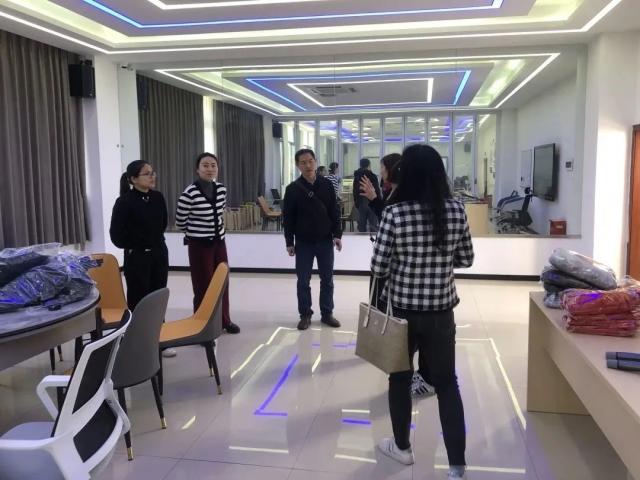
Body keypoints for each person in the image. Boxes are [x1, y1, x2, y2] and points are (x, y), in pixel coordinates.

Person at [371, 144, 474, 479]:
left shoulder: (395, 213)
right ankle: (456, 466)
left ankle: (402, 448)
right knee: (447, 384)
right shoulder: (456, 209)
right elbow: (466, 259)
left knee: (399, 379)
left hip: (402, 312)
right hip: (441, 312)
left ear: (406, 174)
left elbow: (378, 266)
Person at [360, 154, 436, 399]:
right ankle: (411, 371)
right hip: (405, 275)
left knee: (407, 327)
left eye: (383, 168)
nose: (381, 172)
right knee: (403, 324)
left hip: (404, 276)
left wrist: (375, 200)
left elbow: (392, 221)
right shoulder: (395, 192)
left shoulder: (404, 196)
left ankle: (418, 375)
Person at [110, 161, 174, 356]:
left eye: (153, 172)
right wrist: (139, 244)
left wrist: (153, 243)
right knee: (139, 299)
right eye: (147, 174)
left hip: (159, 254)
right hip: (137, 257)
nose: (152, 176)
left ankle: (159, 340)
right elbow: (116, 236)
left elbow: (162, 224)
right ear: (133, 179)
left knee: (158, 297)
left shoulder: (157, 197)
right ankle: (137, 342)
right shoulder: (124, 202)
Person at [176, 152, 240, 334]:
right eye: (205, 165)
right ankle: (202, 325)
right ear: (198, 169)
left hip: (219, 243)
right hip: (199, 245)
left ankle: (224, 320)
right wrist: (196, 233)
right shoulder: (189, 193)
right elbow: (180, 221)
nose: (210, 169)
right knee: (203, 285)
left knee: (222, 282)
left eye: (213, 165)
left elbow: (219, 214)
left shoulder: (221, 189)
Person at [283, 148, 343, 331]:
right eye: (303, 162)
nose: (308, 165)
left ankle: (327, 313)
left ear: (316, 162)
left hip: (325, 240)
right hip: (303, 243)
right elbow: (288, 218)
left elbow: (334, 211)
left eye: (310, 161)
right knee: (303, 281)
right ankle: (305, 314)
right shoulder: (292, 189)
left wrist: (337, 235)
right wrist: (289, 242)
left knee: (327, 279)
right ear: (297, 165)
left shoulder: (326, 185)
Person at [353, 158, 381, 232]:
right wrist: (378, 202)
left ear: (360, 165)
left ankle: (361, 239)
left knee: (361, 225)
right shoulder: (373, 176)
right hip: (372, 201)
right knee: (373, 225)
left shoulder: (357, 176)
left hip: (361, 202)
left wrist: (356, 203)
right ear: (369, 165)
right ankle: (373, 239)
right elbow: (376, 190)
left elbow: (355, 191)